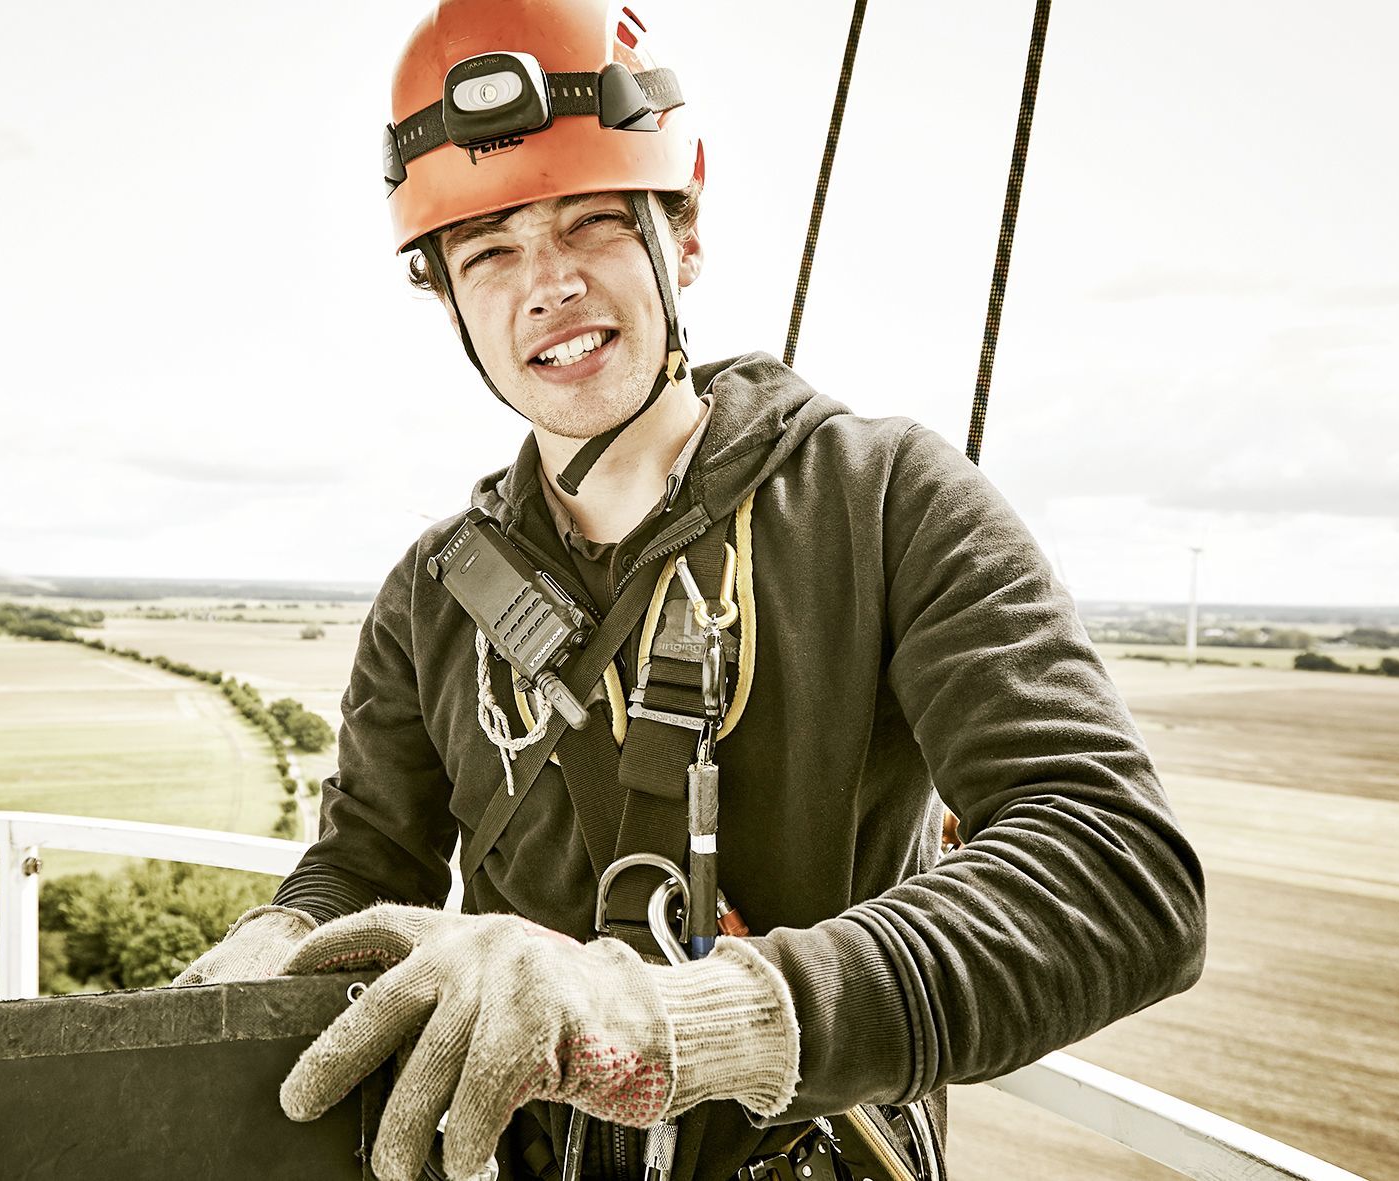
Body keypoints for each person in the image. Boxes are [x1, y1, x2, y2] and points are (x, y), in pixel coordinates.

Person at [175, 2, 1207, 1178]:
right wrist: (286, 932)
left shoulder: (883, 502)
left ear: (684, 233)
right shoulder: (433, 594)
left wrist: (693, 1022)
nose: (547, 286)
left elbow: (1118, 871)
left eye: (592, 226)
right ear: (450, 298)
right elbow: (368, 859)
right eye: (491, 252)